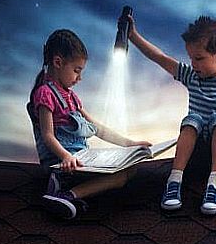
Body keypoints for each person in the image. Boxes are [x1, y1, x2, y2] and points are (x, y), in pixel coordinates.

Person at [128, 15, 216, 215]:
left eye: (199, 58)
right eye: (191, 58)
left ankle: (214, 184)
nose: (193, 64)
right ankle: (174, 181)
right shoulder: (192, 77)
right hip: (194, 154)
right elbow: (161, 58)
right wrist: (133, 36)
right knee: (192, 120)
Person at [27, 29, 151, 220]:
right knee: (118, 178)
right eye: (77, 70)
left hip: (81, 158)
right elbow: (47, 135)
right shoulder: (45, 93)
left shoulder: (72, 98)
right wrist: (66, 157)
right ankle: (63, 194)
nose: (79, 78)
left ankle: (69, 195)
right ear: (58, 62)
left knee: (129, 169)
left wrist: (130, 144)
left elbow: (97, 128)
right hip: (62, 162)